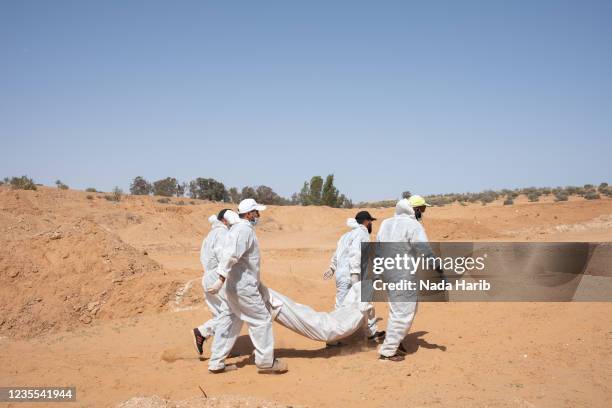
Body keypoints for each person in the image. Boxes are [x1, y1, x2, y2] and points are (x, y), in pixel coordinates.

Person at [207, 199, 288, 374]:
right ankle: (266, 363)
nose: (258, 215)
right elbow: (231, 255)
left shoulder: (236, 229)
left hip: (234, 286)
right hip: (243, 287)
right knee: (261, 320)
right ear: (250, 213)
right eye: (256, 212)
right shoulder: (243, 230)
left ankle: (216, 363)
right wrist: (220, 278)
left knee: (229, 321)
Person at [376, 196, 436, 362]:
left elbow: (378, 247)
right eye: (422, 209)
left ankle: (397, 341)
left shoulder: (385, 223)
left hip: (387, 272)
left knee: (399, 309)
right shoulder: (413, 225)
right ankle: (388, 351)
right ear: (415, 209)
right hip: (403, 274)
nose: (422, 213)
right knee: (403, 312)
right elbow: (423, 248)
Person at [323, 210, 384, 343]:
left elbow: (337, 253)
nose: (371, 225)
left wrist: (332, 268)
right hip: (353, 276)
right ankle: (371, 333)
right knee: (366, 302)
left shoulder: (345, 235)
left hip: (341, 275)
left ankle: (332, 340)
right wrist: (355, 275)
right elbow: (355, 254)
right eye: (370, 222)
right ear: (366, 221)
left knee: (340, 306)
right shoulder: (362, 234)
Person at [191, 209, 231, 356]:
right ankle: (202, 332)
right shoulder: (222, 234)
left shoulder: (210, 235)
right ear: (225, 220)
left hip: (208, 276)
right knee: (232, 313)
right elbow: (224, 258)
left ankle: (220, 351)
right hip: (217, 276)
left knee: (220, 313)